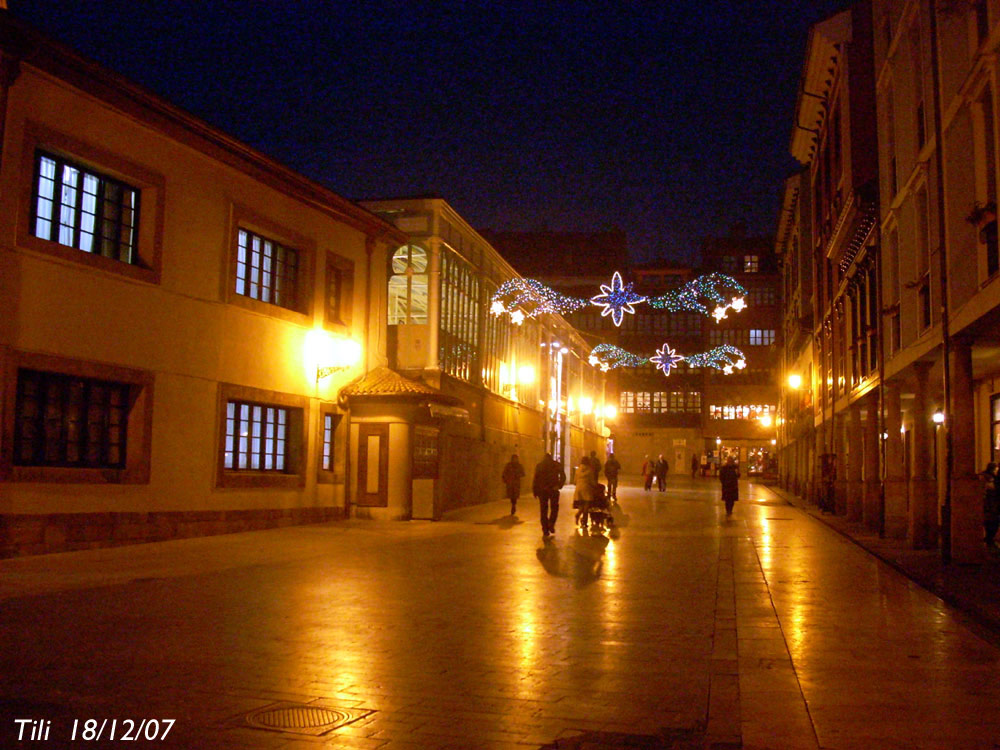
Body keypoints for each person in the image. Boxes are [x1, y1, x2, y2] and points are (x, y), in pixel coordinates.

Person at [533, 452, 566, 537]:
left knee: (543, 510)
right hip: (553, 489)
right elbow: (563, 476)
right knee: (554, 508)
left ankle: (545, 529)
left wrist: (535, 490)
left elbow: (535, 479)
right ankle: (551, 523)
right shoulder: (556, 464)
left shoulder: (539, 466)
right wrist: (559, 485)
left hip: (542, 490)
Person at [574, 456, 598, 528]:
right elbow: (592, 481)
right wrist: (595, 486)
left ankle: (578, 514)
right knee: (586, 507)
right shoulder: (590, 470)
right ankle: (584, 522)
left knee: (581, 506)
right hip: (587, 489)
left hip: (578, 489)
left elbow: (574, 481)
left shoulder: (577, 470)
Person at [984, 462, 999, 548]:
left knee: (991, 522)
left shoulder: (988, 477)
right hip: (991, 504)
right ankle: (989, 539)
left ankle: (989, 539)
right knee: (992, 522)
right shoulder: (990, 478)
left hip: (990, 504)